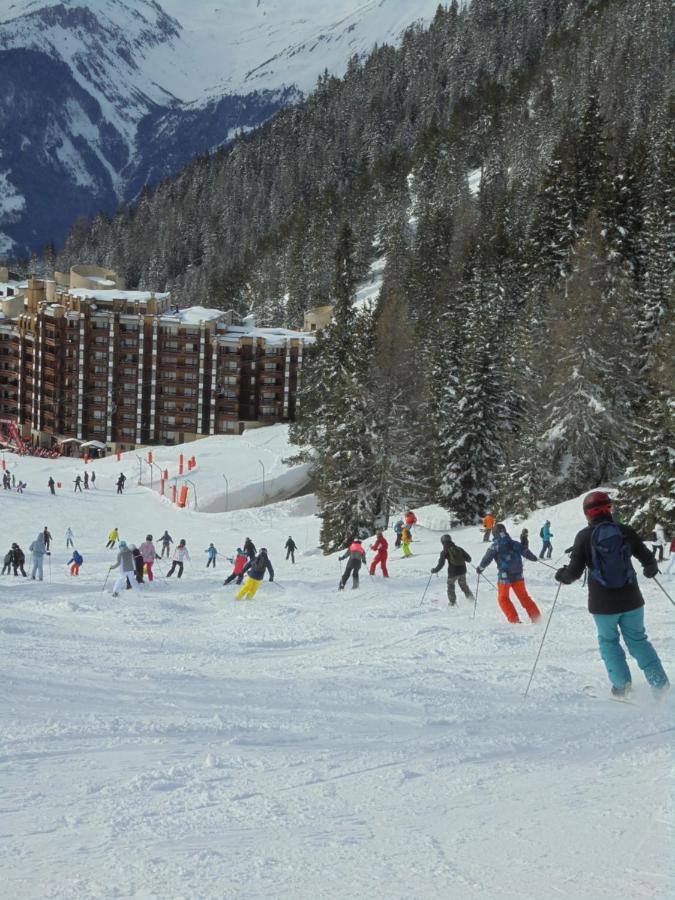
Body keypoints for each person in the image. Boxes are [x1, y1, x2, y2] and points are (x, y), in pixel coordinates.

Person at [555, 491, 669, 698]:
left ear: (587, 513)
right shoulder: (624, 531)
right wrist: (650, 569)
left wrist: (562, 575)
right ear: (609, 509)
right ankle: (660, 684)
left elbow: (573, 573)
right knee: (638, 640)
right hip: (632, 599)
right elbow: (647, 557)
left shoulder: (583, 536)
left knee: (609, 642)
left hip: (602, 604)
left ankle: (621, 686)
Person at [477, 524, 541, 624]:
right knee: (524, 597)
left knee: (503, 598)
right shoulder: (514, 543)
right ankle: (536, 618)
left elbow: (486, 559)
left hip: (504, 577)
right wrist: (534, 558)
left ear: (494, 533)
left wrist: (480, 568)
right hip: (518, 575)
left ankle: (514, 620)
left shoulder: (495, 546)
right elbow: (525, 551)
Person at [431, 535, 474, 606]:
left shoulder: (444, 551)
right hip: (462, 570)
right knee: (464, 586)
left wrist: (435, 570)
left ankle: (452, 602)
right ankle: (472, 600)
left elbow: (441, 563)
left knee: (450, 586)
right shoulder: (459, 548)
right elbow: (469, 559)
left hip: (453, 572)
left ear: (442, 542)